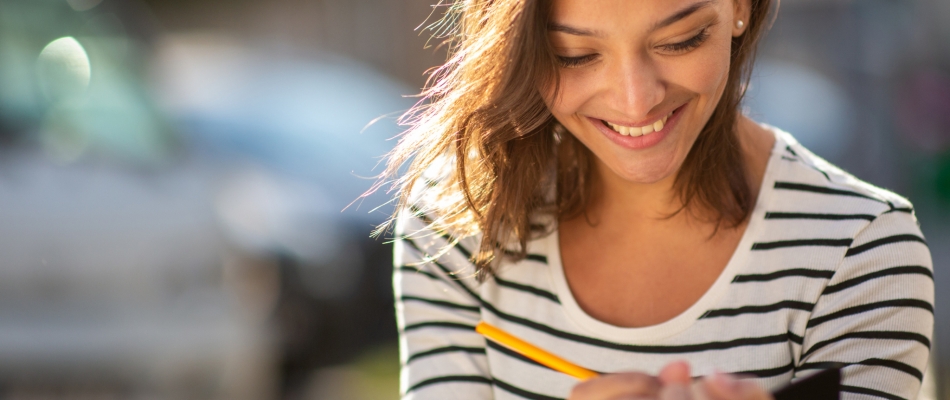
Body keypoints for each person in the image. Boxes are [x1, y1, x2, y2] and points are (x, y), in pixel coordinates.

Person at [379, 0, 934, 399]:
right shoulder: (457, 219)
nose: (635, 100)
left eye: (679, 40)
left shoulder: (860, 252)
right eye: (574, 54)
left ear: (741, 9)